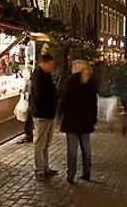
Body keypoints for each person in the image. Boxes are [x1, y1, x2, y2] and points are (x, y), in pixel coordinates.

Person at [60, 60, 98, 183]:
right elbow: (94, 102)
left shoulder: (69, 82)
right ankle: (87, 172)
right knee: (86, 147)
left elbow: (64, 100)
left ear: (76, 68)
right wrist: (93, 118)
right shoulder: (91, 82)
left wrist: (59, 115)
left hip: (71, 120)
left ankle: (71, 174)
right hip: (86, 120)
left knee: (72, 149)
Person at [30, 53, 58, 181]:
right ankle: (39, 169)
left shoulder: (46, 76)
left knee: (46, 143)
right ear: (44, 63)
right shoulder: (38, 77)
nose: (52, 66)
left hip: (48, 114)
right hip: (42, 114)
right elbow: (38, 97)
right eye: (50, 64)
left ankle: (45, 167)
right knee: (40, 143)